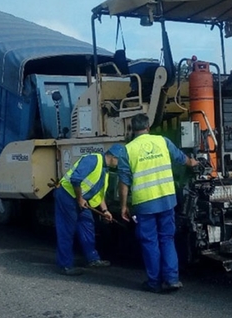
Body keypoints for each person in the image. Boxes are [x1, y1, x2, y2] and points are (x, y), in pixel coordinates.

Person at [118, 113, 199, 293]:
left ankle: (154, 282)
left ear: (132, 129)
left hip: (144, 203)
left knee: (149, 242)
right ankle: (171, 279)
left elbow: (124, 182)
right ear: (148, 127)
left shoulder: (127, 150)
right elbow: (181, 158)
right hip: (166, 199)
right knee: (167, 238)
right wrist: (192, 162)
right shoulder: (162, 141)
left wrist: (124, 206)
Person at [54, 145, 121, 275]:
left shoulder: (105, 171)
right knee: (67, 230)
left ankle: (92, 259)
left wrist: (105, 210)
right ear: (113, 157)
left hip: (80, 199)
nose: (119, 165)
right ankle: (65, 265)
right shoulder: (93, 160)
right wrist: (80, 199)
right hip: (67, 196)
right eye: (119, 161)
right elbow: (75, 179)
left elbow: (99, 194)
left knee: (87, 224)